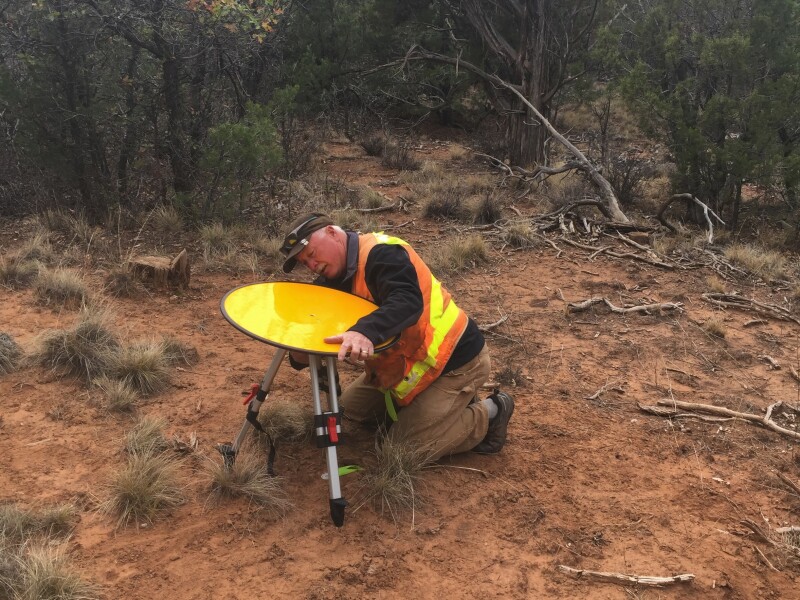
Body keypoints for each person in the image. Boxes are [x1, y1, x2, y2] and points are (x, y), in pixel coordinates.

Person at [279, 212, 514, 459]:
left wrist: (363, 332)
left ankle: (492, 411)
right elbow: (312, 343)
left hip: (455, 361)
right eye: (306, 263)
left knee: (399, 451)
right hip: (404, 367)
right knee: (351, 412)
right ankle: (435, 412)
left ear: (332, 232)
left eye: (312, 254)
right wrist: (298, 348)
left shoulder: (381, 254)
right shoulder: (331, 279)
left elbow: (406, 302)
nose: (313, 265)